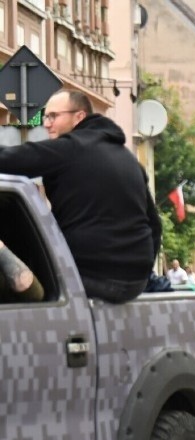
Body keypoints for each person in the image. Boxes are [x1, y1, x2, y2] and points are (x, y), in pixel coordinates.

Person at [0, 89, 161, 303]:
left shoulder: (71, 148)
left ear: (79, 116)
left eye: (53, 116)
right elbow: (155, 225)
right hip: (134, 283)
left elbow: (11, 160)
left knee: (20, 281)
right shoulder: (129, 160)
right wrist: (142, 269)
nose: (47, 124)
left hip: (87, 277)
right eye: (46, 117)